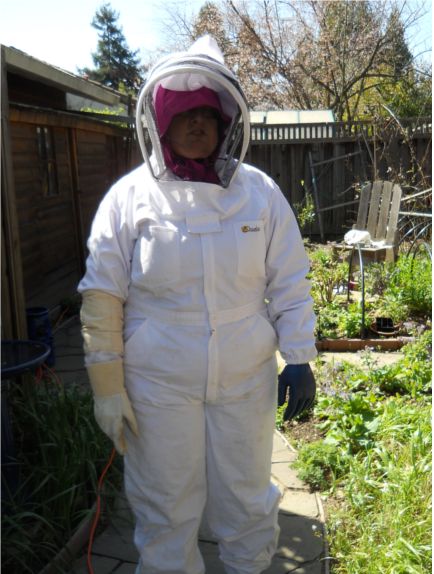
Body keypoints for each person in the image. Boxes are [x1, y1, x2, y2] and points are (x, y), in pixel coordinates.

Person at [78, 35, 317, 574]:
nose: (197, 124)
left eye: (207, 113)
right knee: (166, 504)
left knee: (246, 496)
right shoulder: (129, 197)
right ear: (160, 121)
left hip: (244, 376)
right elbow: (102, 295)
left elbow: (289, 279)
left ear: (228, 122)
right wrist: (107, 388)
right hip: (158, 381)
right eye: (184, 113)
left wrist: (300, 355)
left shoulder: (259, 193)